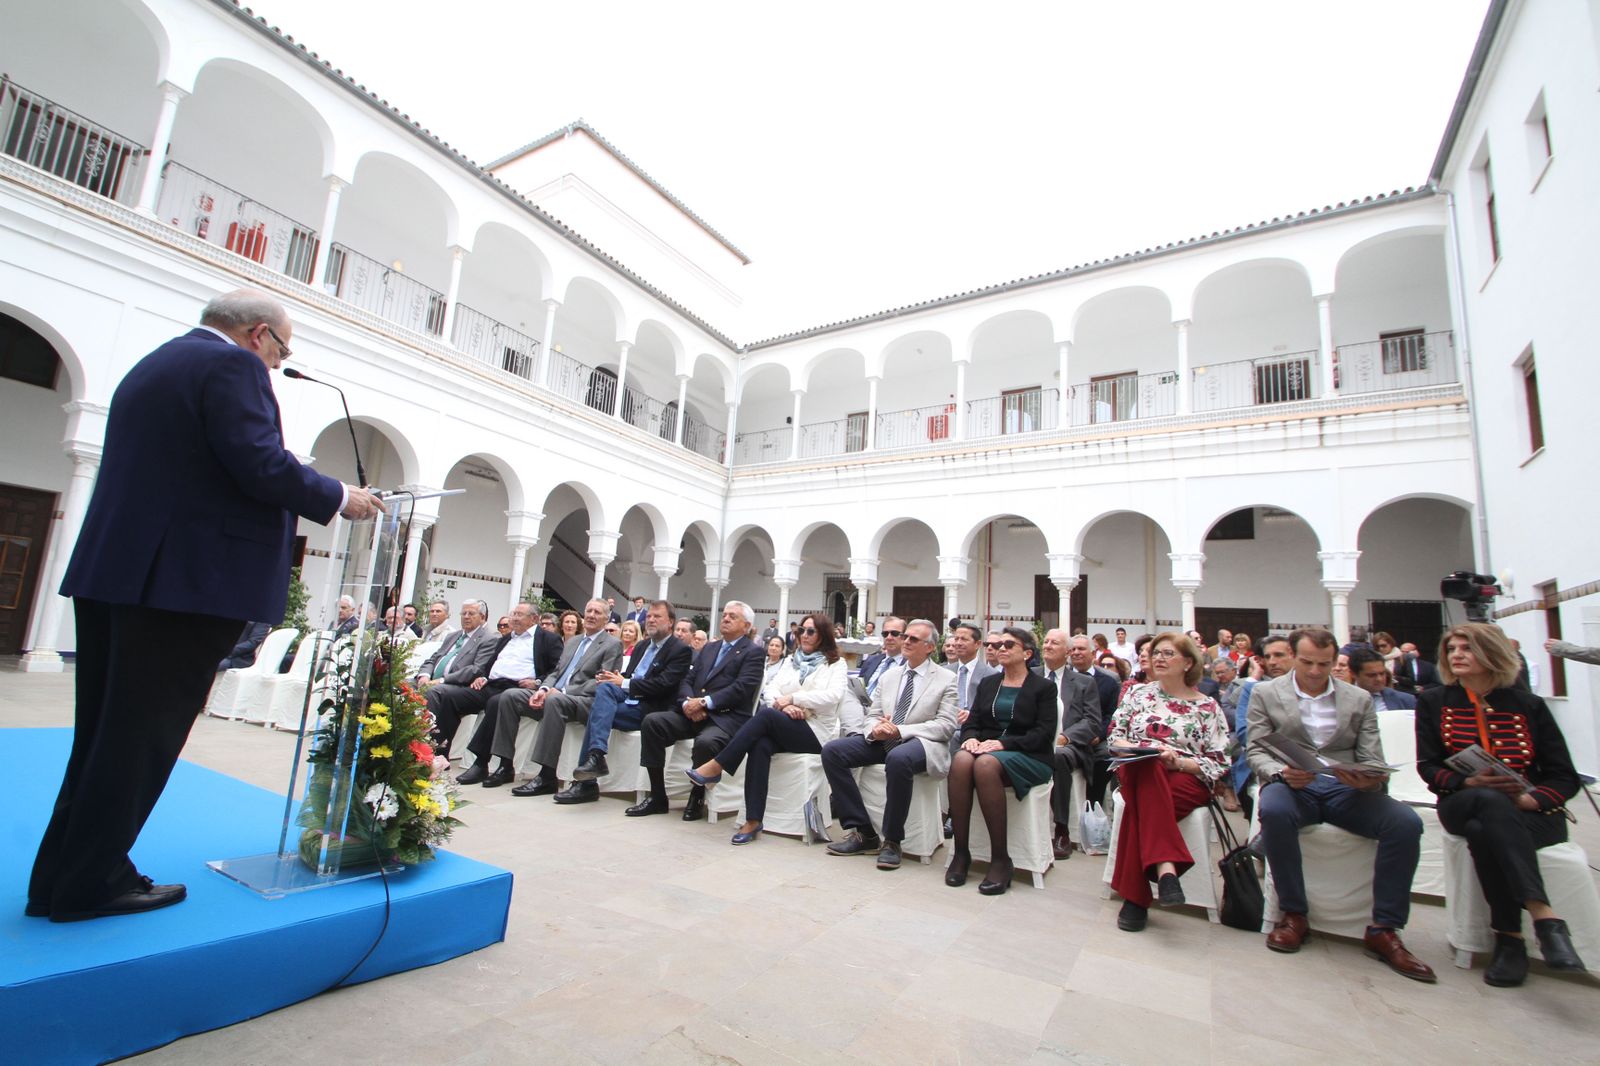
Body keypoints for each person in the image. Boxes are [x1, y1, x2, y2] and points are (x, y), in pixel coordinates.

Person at [27, 288, 385, 923]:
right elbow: (257, 462)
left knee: (104, 736)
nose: (277, 363)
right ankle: (90, 882)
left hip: (122, 575)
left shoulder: (158, 362)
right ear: (257, 334)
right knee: (141, 739)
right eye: (281, 350)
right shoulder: (232, 365)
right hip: (183, 585)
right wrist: (338, 496)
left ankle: (62, 876)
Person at [1247, 628, 1435, 981]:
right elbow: (1256, 748)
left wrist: (1369, 778)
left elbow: (1372, 756)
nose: (1315, 671)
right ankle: (1293, 914)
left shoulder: (1357, 698)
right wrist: (1280, 772)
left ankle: (1385, 928)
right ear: (1293, 656)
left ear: (1335, 661)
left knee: (1405, 823)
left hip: (1343, 787)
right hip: (1293, 783)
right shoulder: (1267, 693)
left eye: (1323, 664)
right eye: (1307, 662)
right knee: (1274, 811)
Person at [1417, 624, 1586, 986]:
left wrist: (1529, 799)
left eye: (1467, 648)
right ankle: (1544, 917)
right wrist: (1467, 782)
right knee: (1487, 800)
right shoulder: (1434, 701)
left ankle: (1510, 940)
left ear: (1491, 653)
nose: (1457, 655)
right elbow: (1428, 767)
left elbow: (1564, 776)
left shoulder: (1529, 705)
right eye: (1452, 649)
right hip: (1461, 801)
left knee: (1483, 831)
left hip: (1530, 813)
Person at [688, 611, 847, 844]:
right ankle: (753, 820)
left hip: (815, 731)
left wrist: (793, 699)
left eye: (811, 631)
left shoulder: (835, 664)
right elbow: (771, 689)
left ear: (823, 635)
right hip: (787, 722)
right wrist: (785, 705)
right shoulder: (792, 661)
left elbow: (833, 696)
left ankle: (717, 765)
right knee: (760, 743)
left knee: (766, 717)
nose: (804, 635)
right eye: (801, 630)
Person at [1106, 632, 1229, 932]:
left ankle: (1137, 898)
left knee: (1141, 804)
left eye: (1168, 653)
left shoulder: (1207, 707)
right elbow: (1115, 737)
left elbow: (1219, 761)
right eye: (1156, 653)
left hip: (1185, 778)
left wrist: (1178, 763)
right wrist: (1146, 751)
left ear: (1188, 663)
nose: (1158, 658)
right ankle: (1166, 868)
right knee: (1149, 765)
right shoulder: (1138, 694)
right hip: (1137, 768)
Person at [823, 619, 957, 869]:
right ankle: (864, 832)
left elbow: (946, 725)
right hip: (885, 740)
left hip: (923, 744)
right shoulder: (890, 676)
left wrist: (901, 730)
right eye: (906, 636)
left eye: (913, 639)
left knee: (899, 758)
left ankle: (893, 841)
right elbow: (873, 714)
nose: (906, 641)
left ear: (930, 647)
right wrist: (875, 730)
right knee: (833, 751)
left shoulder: (946, 678)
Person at [628, 602, 765, 819]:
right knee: (653, 722)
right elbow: (687, 679)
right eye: (725, 614)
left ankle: (697, 795)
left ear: (747, 626)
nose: (726, 619)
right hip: (692, 713)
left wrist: (704, 703)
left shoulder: (754, 652)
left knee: (706, 743)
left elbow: (742, 688)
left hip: (724, 718)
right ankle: (657, 796)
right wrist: (686, 703)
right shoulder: (710, 648)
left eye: (733, 617)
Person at [945, 627, 1055, 895]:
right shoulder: (989, 683)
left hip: (1030, 756)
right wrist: (970, 739)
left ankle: (1000, 859)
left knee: (985, 764)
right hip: (988, 750)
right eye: (998, 645)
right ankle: (961, 852)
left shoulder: (1043, 687)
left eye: (1009, 644)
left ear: (1027, 653)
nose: (1001, 648)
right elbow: (972, 722)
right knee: (961, 760)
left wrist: (1005, 744)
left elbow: (1043, 734)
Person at [482, 598, 621, 800]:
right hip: (555, 694)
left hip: (584, 700)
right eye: (589, 611)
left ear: (607, 618)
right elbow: (556, 672)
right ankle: (505, 765)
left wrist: (563, 692)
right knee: (510, 696)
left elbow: (603, 681)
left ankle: (547, 776)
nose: (591, 615)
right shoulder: (573, 641)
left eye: (597, 612)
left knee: (555, 702)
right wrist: (544, 688)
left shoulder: (612, 644)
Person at [569, 600, 693, 785]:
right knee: (604, 688)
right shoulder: (642, 646)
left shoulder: (680, 650)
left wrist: (624, 682)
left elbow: (663, 685)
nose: (650, 620)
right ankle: (595, 759)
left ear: (670, 622)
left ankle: (588, 776)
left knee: (597, 712)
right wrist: (615, 678)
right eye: (649, 616)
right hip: (627, 695)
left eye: (657, 616)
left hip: (650, 705)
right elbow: (630, 675)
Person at [426, 602, 549, 764]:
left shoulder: (547, 639)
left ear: (534, 619)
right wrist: (483, 676)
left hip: (517, 688)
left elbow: (555, 669)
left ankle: (480, 763)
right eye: (513, 614)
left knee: (496, 702)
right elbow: (489, 665)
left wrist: (538, 682)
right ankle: (438, 755)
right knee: (450, 697)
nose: (514, 618)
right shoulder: (507, 639)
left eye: (519, 615)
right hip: (491, 685)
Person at [1037, 628, 1103, 859]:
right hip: (1033, 740)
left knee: (1058, 756)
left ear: (1067, 652)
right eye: (1046, 641)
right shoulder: (1030, 676)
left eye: (1054, 643)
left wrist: (1065, 737)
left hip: (1068, 745)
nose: (1047, 646)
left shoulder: (1084, 683)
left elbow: (1092, 721)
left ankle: (1061, 830)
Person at [414, 598, 497, 700]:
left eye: (471, 613)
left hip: (454, 684)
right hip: (430, 680)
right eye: (463, 613)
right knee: (403, 685)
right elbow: (433, 659)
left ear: (482, 617)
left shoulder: (488, 639)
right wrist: (424, 675)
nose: (466, 617)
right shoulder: (452, 636)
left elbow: (476, 670)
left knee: (432, 691)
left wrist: (442, 680)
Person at [1348, 647, 1415, 711]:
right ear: (1353, 674)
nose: (1379, 679)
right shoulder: (1343, 700)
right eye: (1371, 675)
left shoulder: (1406, 700)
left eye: (1382, 673)